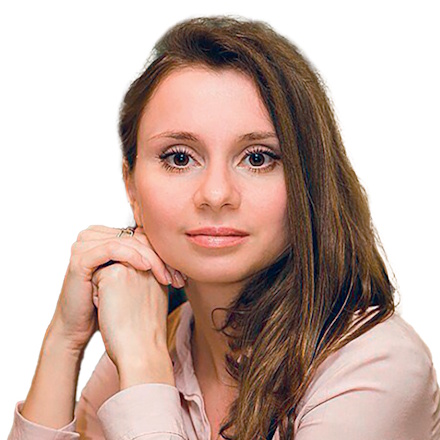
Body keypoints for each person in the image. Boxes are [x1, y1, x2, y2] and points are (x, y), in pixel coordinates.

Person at [7, 15, 440, 440]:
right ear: (131, 188)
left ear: (309, 182)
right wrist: (65, 339)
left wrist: (143, 365)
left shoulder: (377, 366)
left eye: (257, 158)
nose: (216, 194)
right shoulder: (154, 342)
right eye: (180, 158)